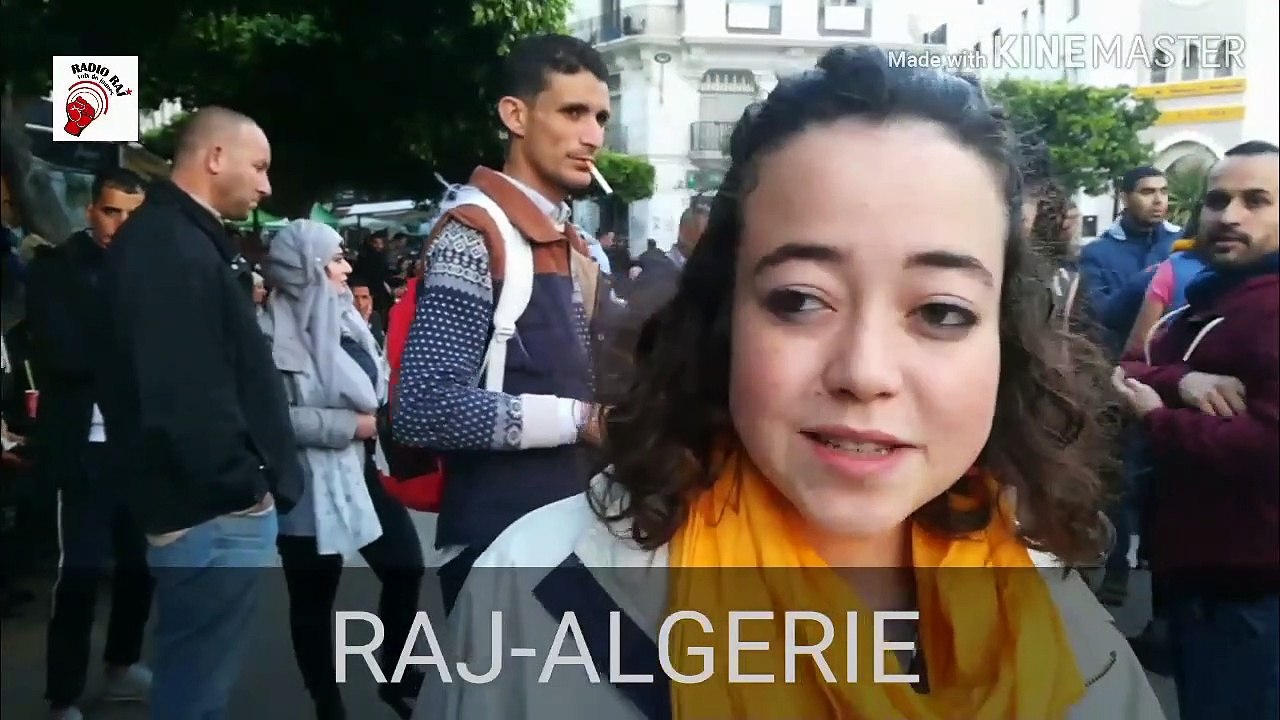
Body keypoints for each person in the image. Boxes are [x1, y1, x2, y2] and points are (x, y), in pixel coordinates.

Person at [434, 46, 1162, 720]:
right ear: (723, 316)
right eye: (800, 300)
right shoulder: (536, 603)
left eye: (942, 311)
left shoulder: (1056, 614)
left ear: (1007, 341)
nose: (865, 373)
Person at [391, 33, 611, 616]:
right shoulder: (473, 233)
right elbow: (424, 405)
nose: (594, 135)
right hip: (499, 548)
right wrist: (579, 420)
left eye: (601, 117)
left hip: (567, 540)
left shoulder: (571, 241)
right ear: (515, 115)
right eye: (573, 112)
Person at [100, 106, 303, 719]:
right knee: (195, 690)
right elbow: (184, 399)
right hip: (211, 514)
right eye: (259, 166)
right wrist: (245, 493)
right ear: (215, 157)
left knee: (193, 680)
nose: (266, 185)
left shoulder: (179, 240)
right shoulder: (169, 246)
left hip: (207, 510)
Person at [1116, 140, 1279, 720]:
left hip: (1253, 589)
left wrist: (1159, 419)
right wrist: (1182, 380)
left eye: (1256, 200)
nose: (1230, 216)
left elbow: (1266, 446)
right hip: (1194, 572)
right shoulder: (1208, 302)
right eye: (1218, 200)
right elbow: (1131, 363)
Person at [262, 220, 425, 720]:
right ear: (308, 267)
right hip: (306, 485)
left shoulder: (347, 317)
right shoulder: (265, 331)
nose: (347, 266)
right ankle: (327, 702)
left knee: (405, 566)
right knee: (314, 600)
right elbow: (267, 418)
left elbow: (375, 378)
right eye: (335, 259)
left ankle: (396, 674)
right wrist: (344, 426)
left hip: (360, 471)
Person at [25, 168, 152, 720]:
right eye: (111, 211)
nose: (120, 224)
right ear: (90, 210)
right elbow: (61, 353)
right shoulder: (56, 270)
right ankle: (63, 696)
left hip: (135, 447)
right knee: (75, 574)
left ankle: (121, 666)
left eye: (132, 214)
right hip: (79, 447)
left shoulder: (151, 273)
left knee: (140, 565)